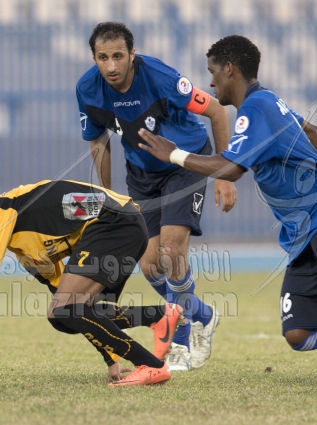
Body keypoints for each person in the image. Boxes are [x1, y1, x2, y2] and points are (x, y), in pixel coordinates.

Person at [137, 35, 317, 393]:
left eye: (213, 73)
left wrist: (174, 154)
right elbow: (312, 130)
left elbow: (231, 169)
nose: (211, 83)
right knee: (298, 334)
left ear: (230, 70)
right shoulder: (267, 102)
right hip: (302, 231)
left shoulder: (255, 108)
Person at [76, 22, 237, 370]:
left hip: (184, 161)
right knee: (149, 264)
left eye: (118, 56)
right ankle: (202, 315)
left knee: (171, 250)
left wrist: (224, 174)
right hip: (142, 173)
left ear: (132, 55)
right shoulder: (87, 89)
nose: (112, 66)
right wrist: (108, 196)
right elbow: (98, 142)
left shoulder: (161, 78)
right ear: (94, 58)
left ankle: (180, 343)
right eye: (103, 58)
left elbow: (217, 111)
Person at [0, 179, 185, 387]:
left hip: (115, 222)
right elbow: (75, 308)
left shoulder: (0, 210)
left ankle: (150, 365)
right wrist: (111, 359)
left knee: (64, 309)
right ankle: (157, 316)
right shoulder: (27, 253)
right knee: (63, 316)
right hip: (122, 228)